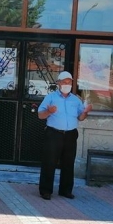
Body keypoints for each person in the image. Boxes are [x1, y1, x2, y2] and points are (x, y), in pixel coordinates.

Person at [37, 71, 92, 200]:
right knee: (49, 162)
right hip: (54, 134)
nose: (67, 84)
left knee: (68, 163)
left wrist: (86, 112)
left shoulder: (76, 100)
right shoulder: (50, 97)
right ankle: (46, 191)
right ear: (58, 83)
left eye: (69, 82)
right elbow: (40, 115)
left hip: (70, 135)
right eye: (64, 82)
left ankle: (65, 190)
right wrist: (49, 111)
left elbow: (80, 117)